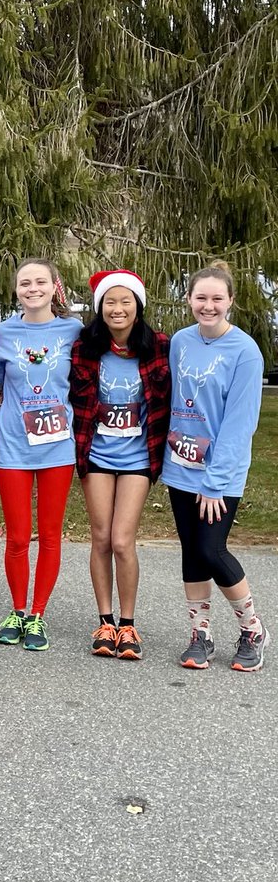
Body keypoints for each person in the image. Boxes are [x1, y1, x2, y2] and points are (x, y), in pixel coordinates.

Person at [161, 262, 268, 672]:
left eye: (216, 298)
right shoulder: (181, 342)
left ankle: (252, 628)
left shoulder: (245, 352)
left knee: (212, 549)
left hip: (219, 475)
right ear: (189, 300)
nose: (208, 306)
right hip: (180, 466)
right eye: (200, 298)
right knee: (192, 551)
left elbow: (241, 423)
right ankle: (200, 634)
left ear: (230, 302)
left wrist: (215, 482)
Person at [70, 269, 170, 660]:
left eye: (125, 301)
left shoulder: (159, 347)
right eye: (110, 302)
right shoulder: (85, 347)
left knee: (122, 540)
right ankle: (105, 621)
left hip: (139, 456)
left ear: (137, 307)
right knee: (100, 537)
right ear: (100, 308)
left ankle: (128, 625)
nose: (117, 309)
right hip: (96, 454)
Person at [0, 258, 82, 651]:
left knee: (52, 535)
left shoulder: (74, 331)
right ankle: (17, 611)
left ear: (54, 286)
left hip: (58, 446)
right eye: (25, 283)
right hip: (13, 445)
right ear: (16, 289)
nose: (33, 288)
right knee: (19, 536)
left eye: (41, 281)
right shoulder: (3, 333)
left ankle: (39, 615)